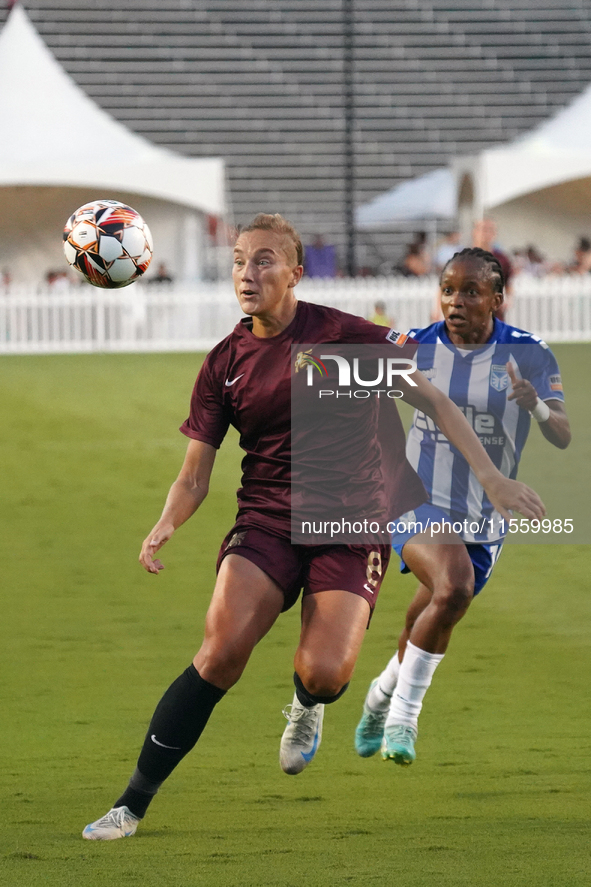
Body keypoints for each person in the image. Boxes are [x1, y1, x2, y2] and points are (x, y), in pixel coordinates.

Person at [82, 219, 544, 840]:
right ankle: (130, 804)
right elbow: (195, 476)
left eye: (264, 261)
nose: (249, 274)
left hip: (353, 523)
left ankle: (306, 704)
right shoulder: (224, 363)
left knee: (326, 676)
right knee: (219, 655)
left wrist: (490, 478)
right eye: (240, 262)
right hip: (268, 520)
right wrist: (167, 521)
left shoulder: (344, 337)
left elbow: (433, 399)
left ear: (296, 273)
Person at [354, 247, 570, 766]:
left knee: (434, 610)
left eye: (470, 291)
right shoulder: (416, 347)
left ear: (497, 298)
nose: (455, 301)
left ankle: (380, 696)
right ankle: (404, 720)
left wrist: (537, 406)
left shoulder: (531, 354)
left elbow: (562, 434)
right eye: (448, 289)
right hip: (417, 502)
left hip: (486, 517)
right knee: (453, 587)